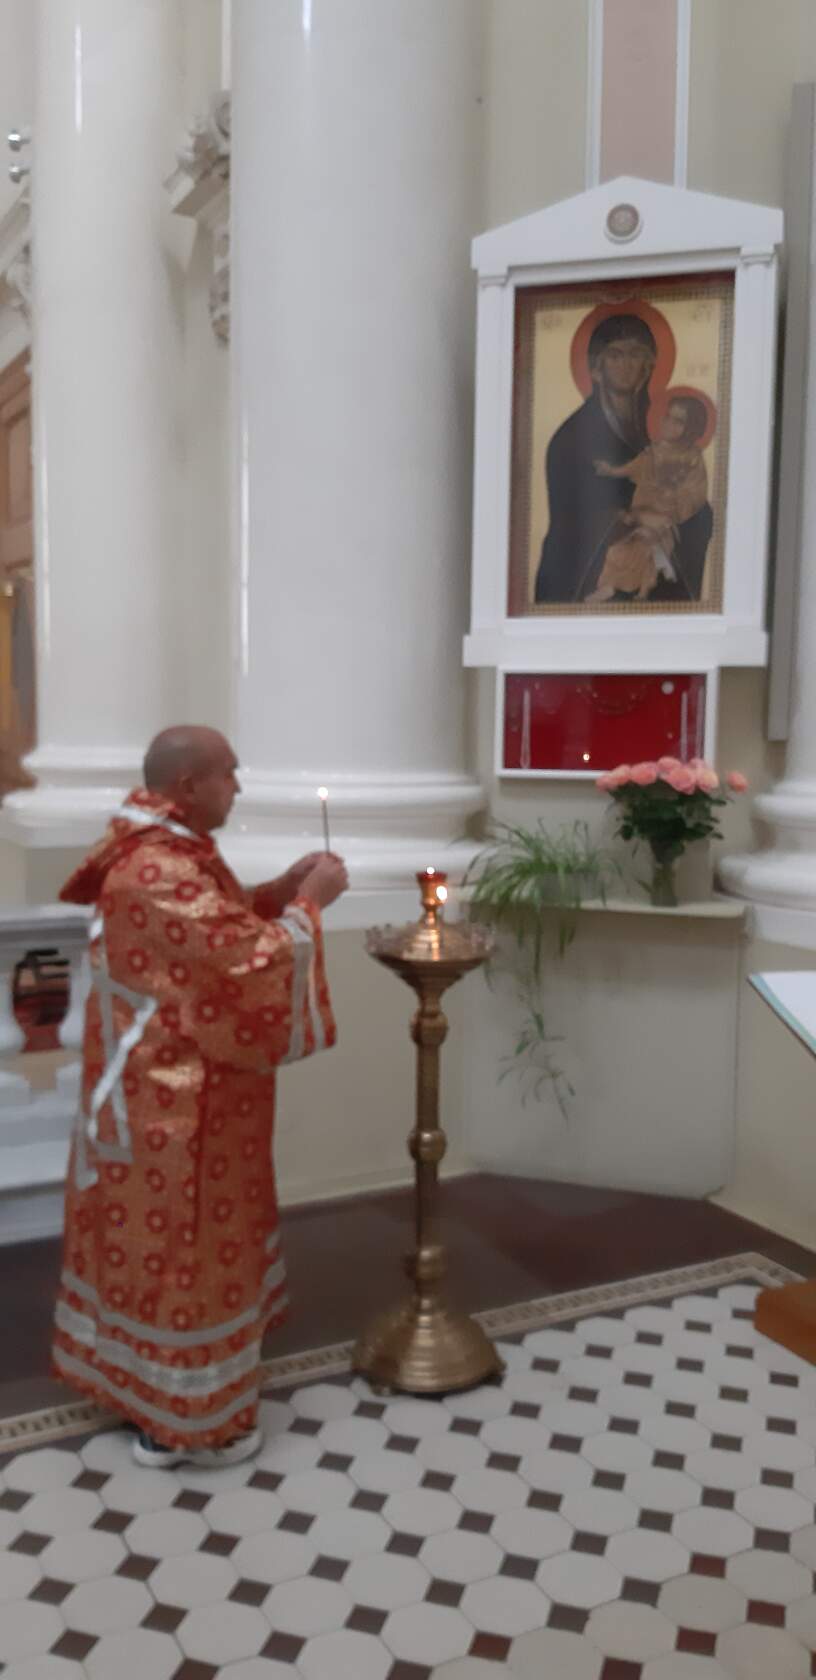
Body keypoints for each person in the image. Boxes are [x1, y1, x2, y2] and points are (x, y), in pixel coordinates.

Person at [51, 726, 348, 1469]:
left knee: (153, 1246)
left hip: (160, 1097)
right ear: (189, 785)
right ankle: (187, 1422)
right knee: (183, 1247)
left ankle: (145, 1389)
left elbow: (221, 923)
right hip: (177, 1111)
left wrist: (281, 891)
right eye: (229, 773)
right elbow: (247, 958)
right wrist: (310, 905)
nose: (237, 786)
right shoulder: (158, 868)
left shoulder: (162, 851)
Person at [534, 313, 658, 604]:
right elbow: (571, 520)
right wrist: (627, 517)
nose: (626, 365)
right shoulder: (572, 438)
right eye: (615, 356)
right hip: (583, 573)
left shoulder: (653, 428)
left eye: (635, 355)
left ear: (648, 366)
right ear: (596, 369)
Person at [586, 395, 710, 603]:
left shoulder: (693, 458)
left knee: (645, 549)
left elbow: (696, 493)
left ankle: (637, 588)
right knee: (618, 550)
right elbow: (634, 467)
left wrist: (675, 499)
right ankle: (609, 586)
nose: (669, 423)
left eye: (678, 421)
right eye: (668, 417)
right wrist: (612, 471)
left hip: (665, 520)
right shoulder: (654, 451)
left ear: (691, 429)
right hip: (642, 512)